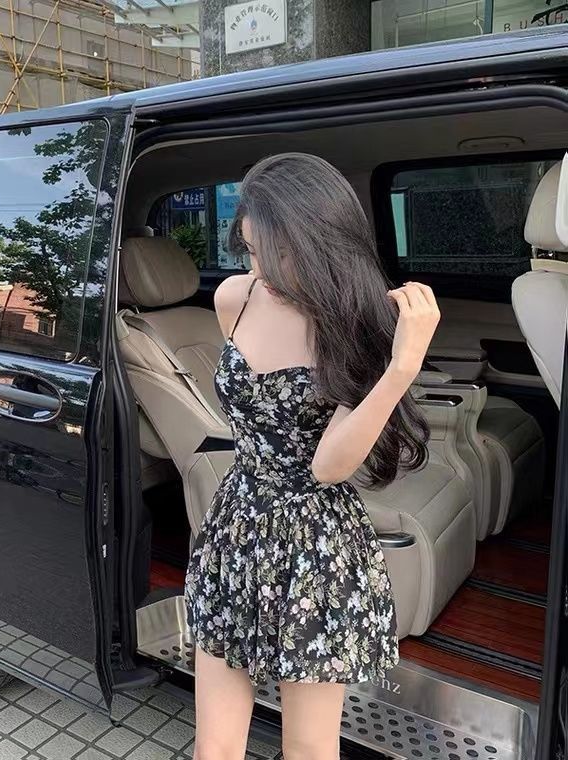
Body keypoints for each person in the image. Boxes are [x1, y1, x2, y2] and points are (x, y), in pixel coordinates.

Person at [184, 153, 440, 760]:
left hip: (315, 548)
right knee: (213, 749)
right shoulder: (234, 297)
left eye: (277, 254)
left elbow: (328, 467)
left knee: (308, 749)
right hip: (236, 526)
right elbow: (250, 410)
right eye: (250, 251)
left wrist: (401, 368)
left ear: (322, 241)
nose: (260, 270)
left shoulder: (358, 323)